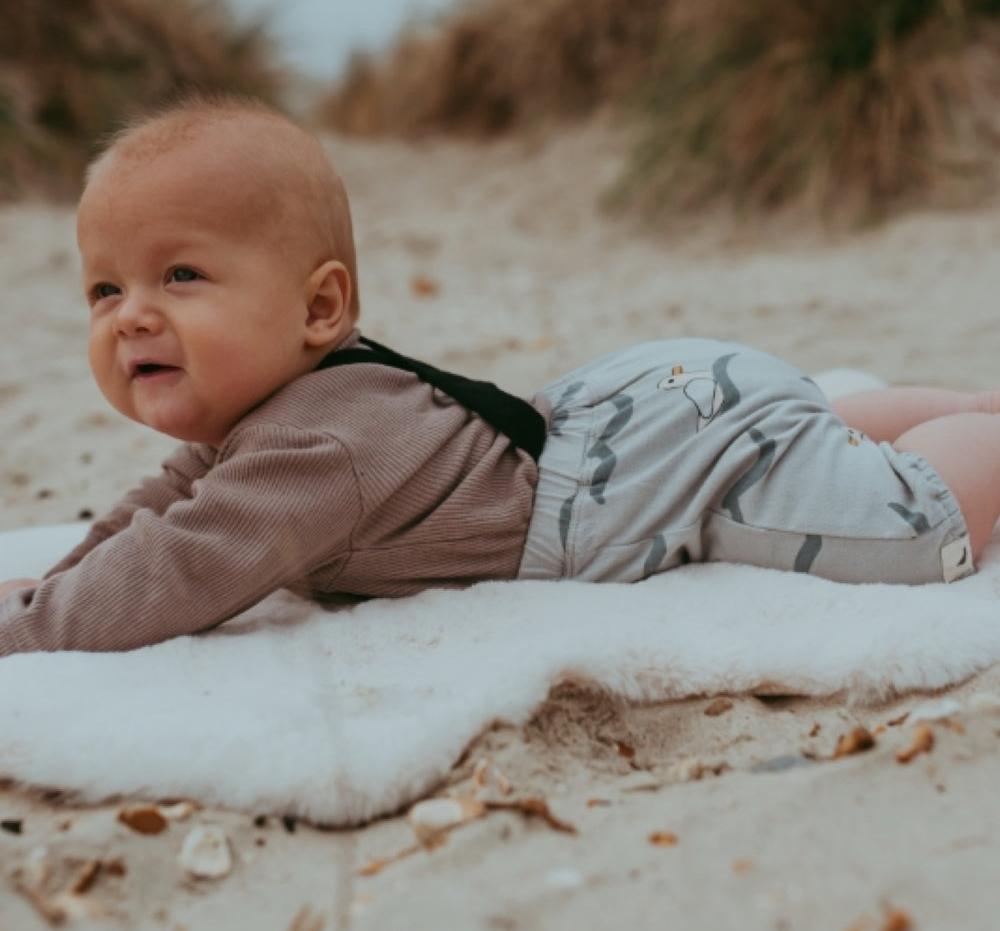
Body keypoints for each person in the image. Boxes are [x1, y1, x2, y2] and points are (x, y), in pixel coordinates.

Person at [0, 98, 997, 655]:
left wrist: (31, 626)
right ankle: (930, 406)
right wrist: (60, 576)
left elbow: (179, 570)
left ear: (319, 307)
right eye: (104, 288)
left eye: (180, 276)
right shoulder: (281, 411)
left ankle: (975, 434)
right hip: (635, 407)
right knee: (791, 432)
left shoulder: (315, 448)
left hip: (633, 485)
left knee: (915, 526)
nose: (132, 314)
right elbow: (162, 506)